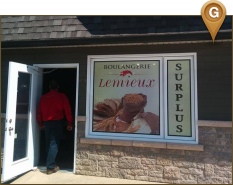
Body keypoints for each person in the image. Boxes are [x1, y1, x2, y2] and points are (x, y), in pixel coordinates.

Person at [37, 78, 73, 175]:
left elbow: (39, 112)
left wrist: (40, 124)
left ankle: (50, 163)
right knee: (54, 143)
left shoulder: (43, 97)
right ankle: (51, 167)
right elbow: (67, 111)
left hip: (47, 123)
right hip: (57, 123)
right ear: (58, 87)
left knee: (48, 143)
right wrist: (70, 123)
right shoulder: (62, 97)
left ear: (49, 87)